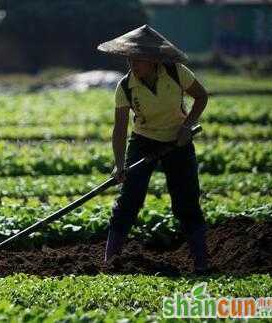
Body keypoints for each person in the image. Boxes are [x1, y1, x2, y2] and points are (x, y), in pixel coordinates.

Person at [97, 24, 210, 274]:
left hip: (177, 141)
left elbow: (201, 97)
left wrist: (186, 127)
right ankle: (111, 260)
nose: (132, 64)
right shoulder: (125, 86)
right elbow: (120, 129)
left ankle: (201, 262)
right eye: (129, 58)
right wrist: (119, 163)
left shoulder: (176, 72)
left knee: (186, 202)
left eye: (138, 59)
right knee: (129, 200)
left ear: (153, 59)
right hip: (143, 141)